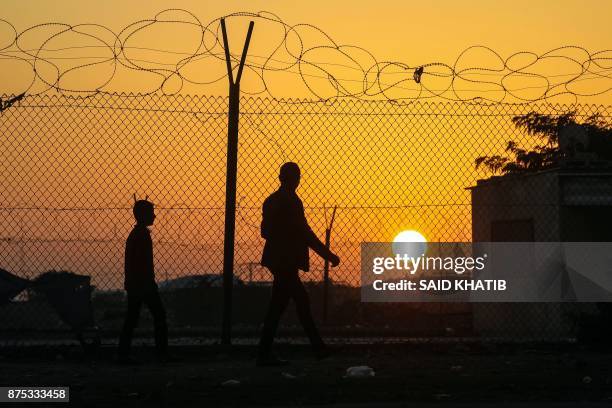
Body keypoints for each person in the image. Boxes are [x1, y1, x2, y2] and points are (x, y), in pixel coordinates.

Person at [257, 162, 340, 366]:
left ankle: (266, 353)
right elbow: (305, 233)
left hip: (276, 260)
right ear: (296, 179)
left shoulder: (271, 200)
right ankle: (317, 348)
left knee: (281, 306)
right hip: (286, 261)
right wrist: (328, 255)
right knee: (298, 303)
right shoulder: (292, 202)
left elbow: (265, 232)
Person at [117, 198, 169, 363]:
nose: (155, 216)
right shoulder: (141, 235)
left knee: (132, 319)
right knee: (159, 316)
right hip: (143, 284)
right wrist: (149, 283)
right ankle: (161, 354)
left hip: (136, 284)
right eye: (151, 213)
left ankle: (123, 354)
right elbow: (143, 263)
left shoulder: (136, 234)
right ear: (143, 215)